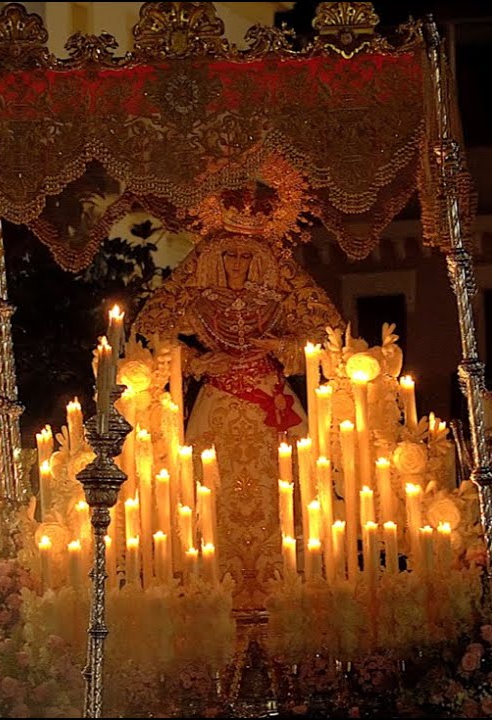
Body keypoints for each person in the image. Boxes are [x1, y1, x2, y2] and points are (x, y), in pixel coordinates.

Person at [134, 182, 340, 610]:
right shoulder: (198, 298)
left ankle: (288, 582)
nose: (238, 266)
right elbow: (152, 329)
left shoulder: (275, 298)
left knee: (285, 485)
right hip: (218, 402)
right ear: (215, 257)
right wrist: (197, 362)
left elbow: (324, 330)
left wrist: (279, 348)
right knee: (211, 488)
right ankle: (218, 582)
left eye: (247, 257)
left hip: (271, 398)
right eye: (230, 256)